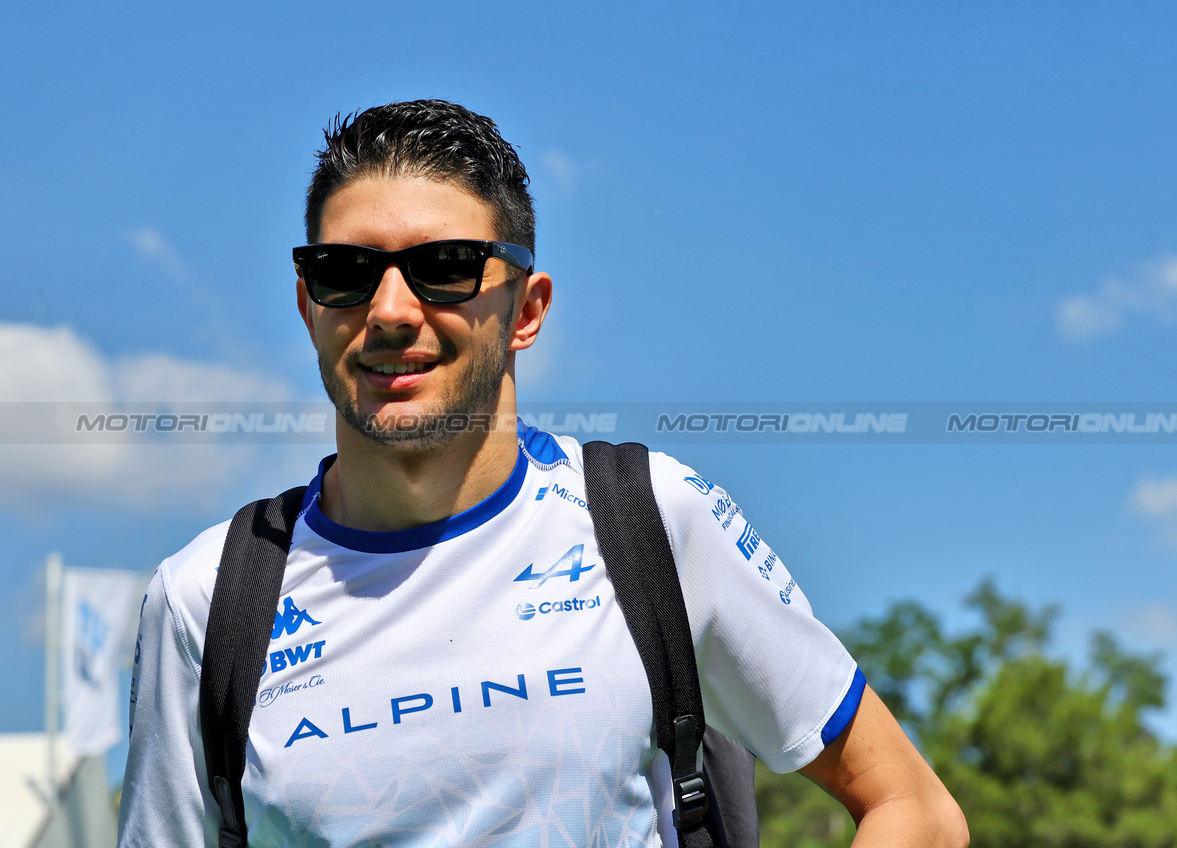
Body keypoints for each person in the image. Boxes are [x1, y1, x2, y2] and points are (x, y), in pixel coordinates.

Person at [118, 99, 968, 847]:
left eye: (443, 267)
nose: (388, 310)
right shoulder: (206, 598)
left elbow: (912, 807)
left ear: (525, 310)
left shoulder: (648, 524)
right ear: (308, 305)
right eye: (345, 272)